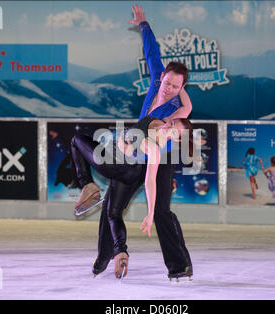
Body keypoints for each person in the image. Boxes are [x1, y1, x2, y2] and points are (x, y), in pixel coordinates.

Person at [87, 4, 194, 281]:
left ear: (181, 89)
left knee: (161, 212)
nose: (169, 88)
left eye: (175, 86)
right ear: (162, 78)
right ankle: (105, 255)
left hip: (160, 161)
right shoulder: (156, 83)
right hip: (134, 157)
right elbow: (152, 53)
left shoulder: (173, 110)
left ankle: (180, 266)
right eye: (168, 83)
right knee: (111, 206)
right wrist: (144, 25)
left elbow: (186, 109)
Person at [70, 116, 193, 278]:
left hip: (113, 164)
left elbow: (150, 181)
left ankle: (87, 184)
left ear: (176, 138)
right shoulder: (158, 121)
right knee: (112, 213)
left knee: (76, 140)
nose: (167, 127)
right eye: (171, 123)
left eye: (173, 130)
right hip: (129, 173)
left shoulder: (155, 147)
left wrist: (150, 213)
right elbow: (183, 107)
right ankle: (120, 251)